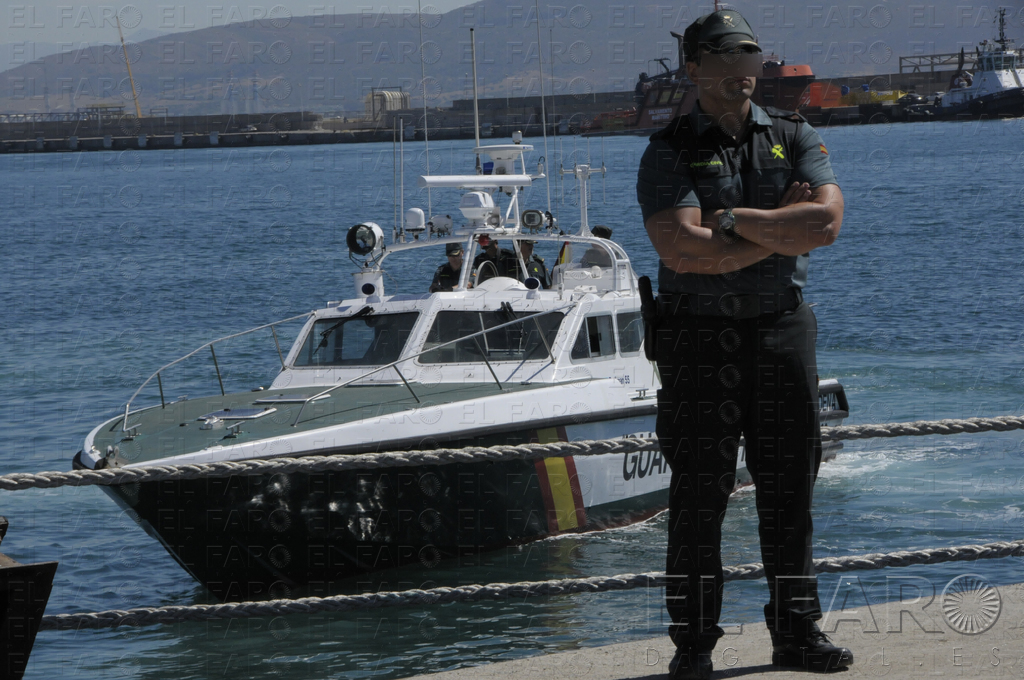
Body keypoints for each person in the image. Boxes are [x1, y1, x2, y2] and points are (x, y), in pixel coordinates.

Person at [635, 10, 850, 680]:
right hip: (698, 338)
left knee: (791, 491)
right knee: (700, 495)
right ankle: (693, 646)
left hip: (783, 331)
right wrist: (776, 227)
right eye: (726, 61)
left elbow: (827, 222)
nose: (743, 73)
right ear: (694, 67)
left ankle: (796, 634)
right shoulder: (668, 149)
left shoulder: (793, 134)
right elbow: (683, 250)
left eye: (750, 59)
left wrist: (728, 221)